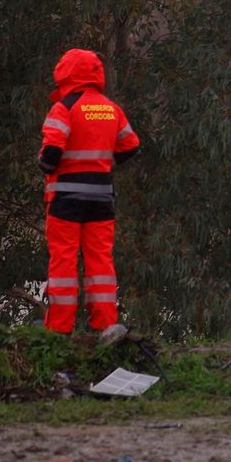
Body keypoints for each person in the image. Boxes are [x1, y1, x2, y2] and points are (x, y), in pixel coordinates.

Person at [38, 48, 141, 341]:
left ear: (65, 73)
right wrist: (103, 164)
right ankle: (105, 327)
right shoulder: (111, 108)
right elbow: (131, 145)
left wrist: (46, 164)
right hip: (101, 198)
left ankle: (58, 330)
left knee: (64, 262)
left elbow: (51, 154)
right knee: (100, 263)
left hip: (66, 200)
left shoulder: (64, 107)